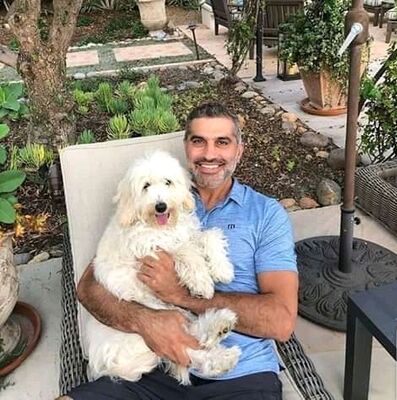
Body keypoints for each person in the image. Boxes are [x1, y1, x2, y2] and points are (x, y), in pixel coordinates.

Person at [59, 102, 298, 400]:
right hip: (151, 369)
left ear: (239, 150)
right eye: (199, 141)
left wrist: (180, 296)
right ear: (186, 147)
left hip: (240, 376)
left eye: (222, 142)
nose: (209, 154)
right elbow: (89, 288)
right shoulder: (151, 204)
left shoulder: (265, 214)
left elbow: (281, 322)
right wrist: (145, 321)